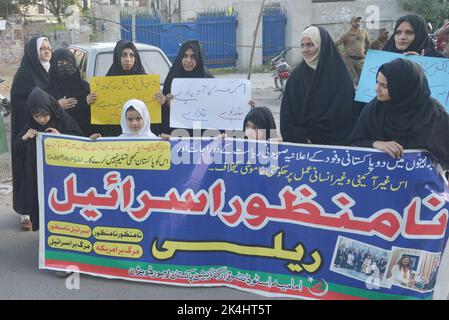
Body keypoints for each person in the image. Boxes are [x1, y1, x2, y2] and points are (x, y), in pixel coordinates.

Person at [349, 58, 449, 169]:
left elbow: (445, 156)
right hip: (381, 175)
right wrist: (376, 144)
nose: (376, 89)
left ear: (403, 88)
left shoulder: (434, 114)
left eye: (385, 86)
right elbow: (356, 142)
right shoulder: (375, 108)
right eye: (377, 82)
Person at [13, 87, 83, 231]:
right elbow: (18, 148)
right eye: (36, 116)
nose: (41, 119)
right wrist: (24, 138)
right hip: (40, 177)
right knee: (44, 210)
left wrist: (60, 136)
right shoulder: (30, 125)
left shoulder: (63, 120)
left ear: (51, 109)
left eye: (45, 115)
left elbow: (80, 141)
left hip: (63, 177)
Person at [280, 26, 356, 146]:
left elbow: (345, 116)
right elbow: (286, 117)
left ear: (322, 46)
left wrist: (316, 137)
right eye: (302, 45)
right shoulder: (296, 77)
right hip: (301, 147)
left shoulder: (340, 77)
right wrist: (303, 136)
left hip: (334, 148)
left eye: (310, 44)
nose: (305, 49)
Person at [10, 36, 52, 231]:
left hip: (49, 130)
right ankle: (25, 213)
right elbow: (18, 101)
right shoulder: (24, 75)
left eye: (48, 48)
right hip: (29, 130)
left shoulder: (53, 70)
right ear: (33, 53)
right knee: (27, 169)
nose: (46, 51)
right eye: (42, 49)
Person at [153, 40, 214, 137]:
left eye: (193, 56)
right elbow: (164, 114)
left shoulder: (207, 78)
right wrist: (166, 102)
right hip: (177, 133)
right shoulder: (173, 77)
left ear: (199, 58)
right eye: (185, 56)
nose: (188, 60)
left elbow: (214, 108)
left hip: (200, 134)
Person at [87, 40, 147, 137]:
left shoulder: (146, 83)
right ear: (117, 57)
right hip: (114, 137)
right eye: (123, 55)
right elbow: (99, 117)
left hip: (140, 136)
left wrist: (162, 101)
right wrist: (90, 102)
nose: (128, 59)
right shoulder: (105, 84)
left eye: (131, 55)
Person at [46, 48, 93, 136]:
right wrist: (57, 105)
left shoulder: (84, 87)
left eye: (68, 63)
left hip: (86, 136)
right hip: (61, 137)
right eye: (60, 63)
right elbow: (42, 115)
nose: (65, 66)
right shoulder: (48, 89)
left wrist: (87, 101)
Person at [335, 16, 371, 86]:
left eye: (359, 21)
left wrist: (366, 52)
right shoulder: (347, 34)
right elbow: (336, 44)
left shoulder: (364, 32)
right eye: (356, 21)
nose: (358, 23)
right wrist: (341, 55)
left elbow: (368, 43)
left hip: (361, 60)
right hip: (350, 60)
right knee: (350, 79)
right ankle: (350, 93)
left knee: (362, 79)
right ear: (351, 23)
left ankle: (360, 95)